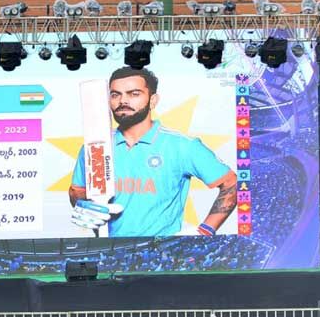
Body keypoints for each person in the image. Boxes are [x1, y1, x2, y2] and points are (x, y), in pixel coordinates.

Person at [68, 66, 237, 237]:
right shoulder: (94, 145)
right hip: (108, 252)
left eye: (134, 94)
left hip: (162, 253)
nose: (122, 101)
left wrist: (206, 230)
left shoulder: (181, 146)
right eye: (115, 95)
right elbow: (77, 191)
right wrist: (83, 205)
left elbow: (232, 183)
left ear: (153, 100)